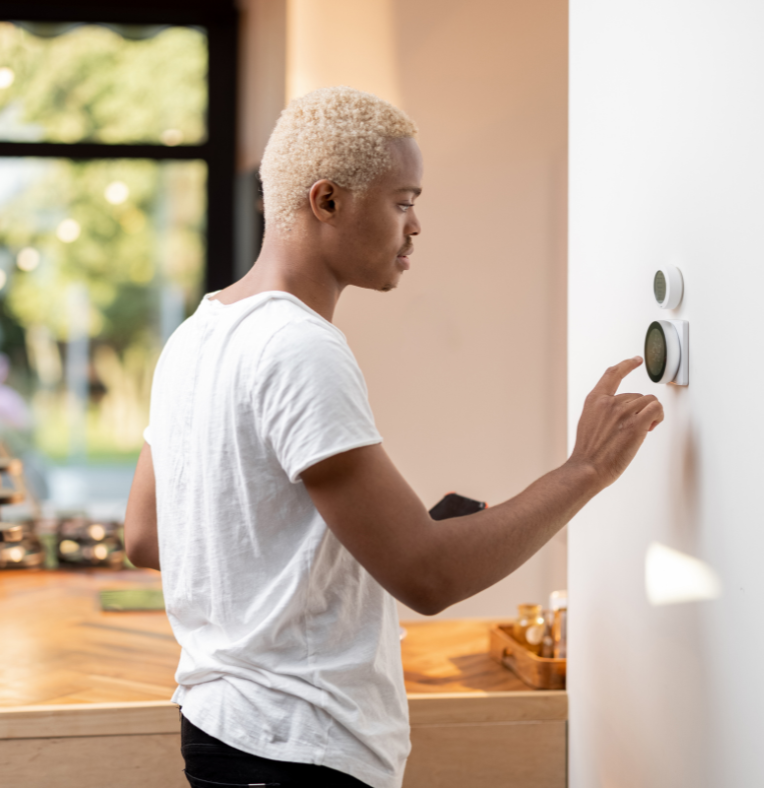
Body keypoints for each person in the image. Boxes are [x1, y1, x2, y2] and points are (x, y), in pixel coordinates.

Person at [124, 86, 663, 788]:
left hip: (221, 734)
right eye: (403, 202)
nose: (416, 227)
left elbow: (144, 535)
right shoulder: (299, 347)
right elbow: (427, 575)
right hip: (300, 749)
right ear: (327, 202)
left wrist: (318, 551)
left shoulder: (194, 337)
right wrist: (585, 469)